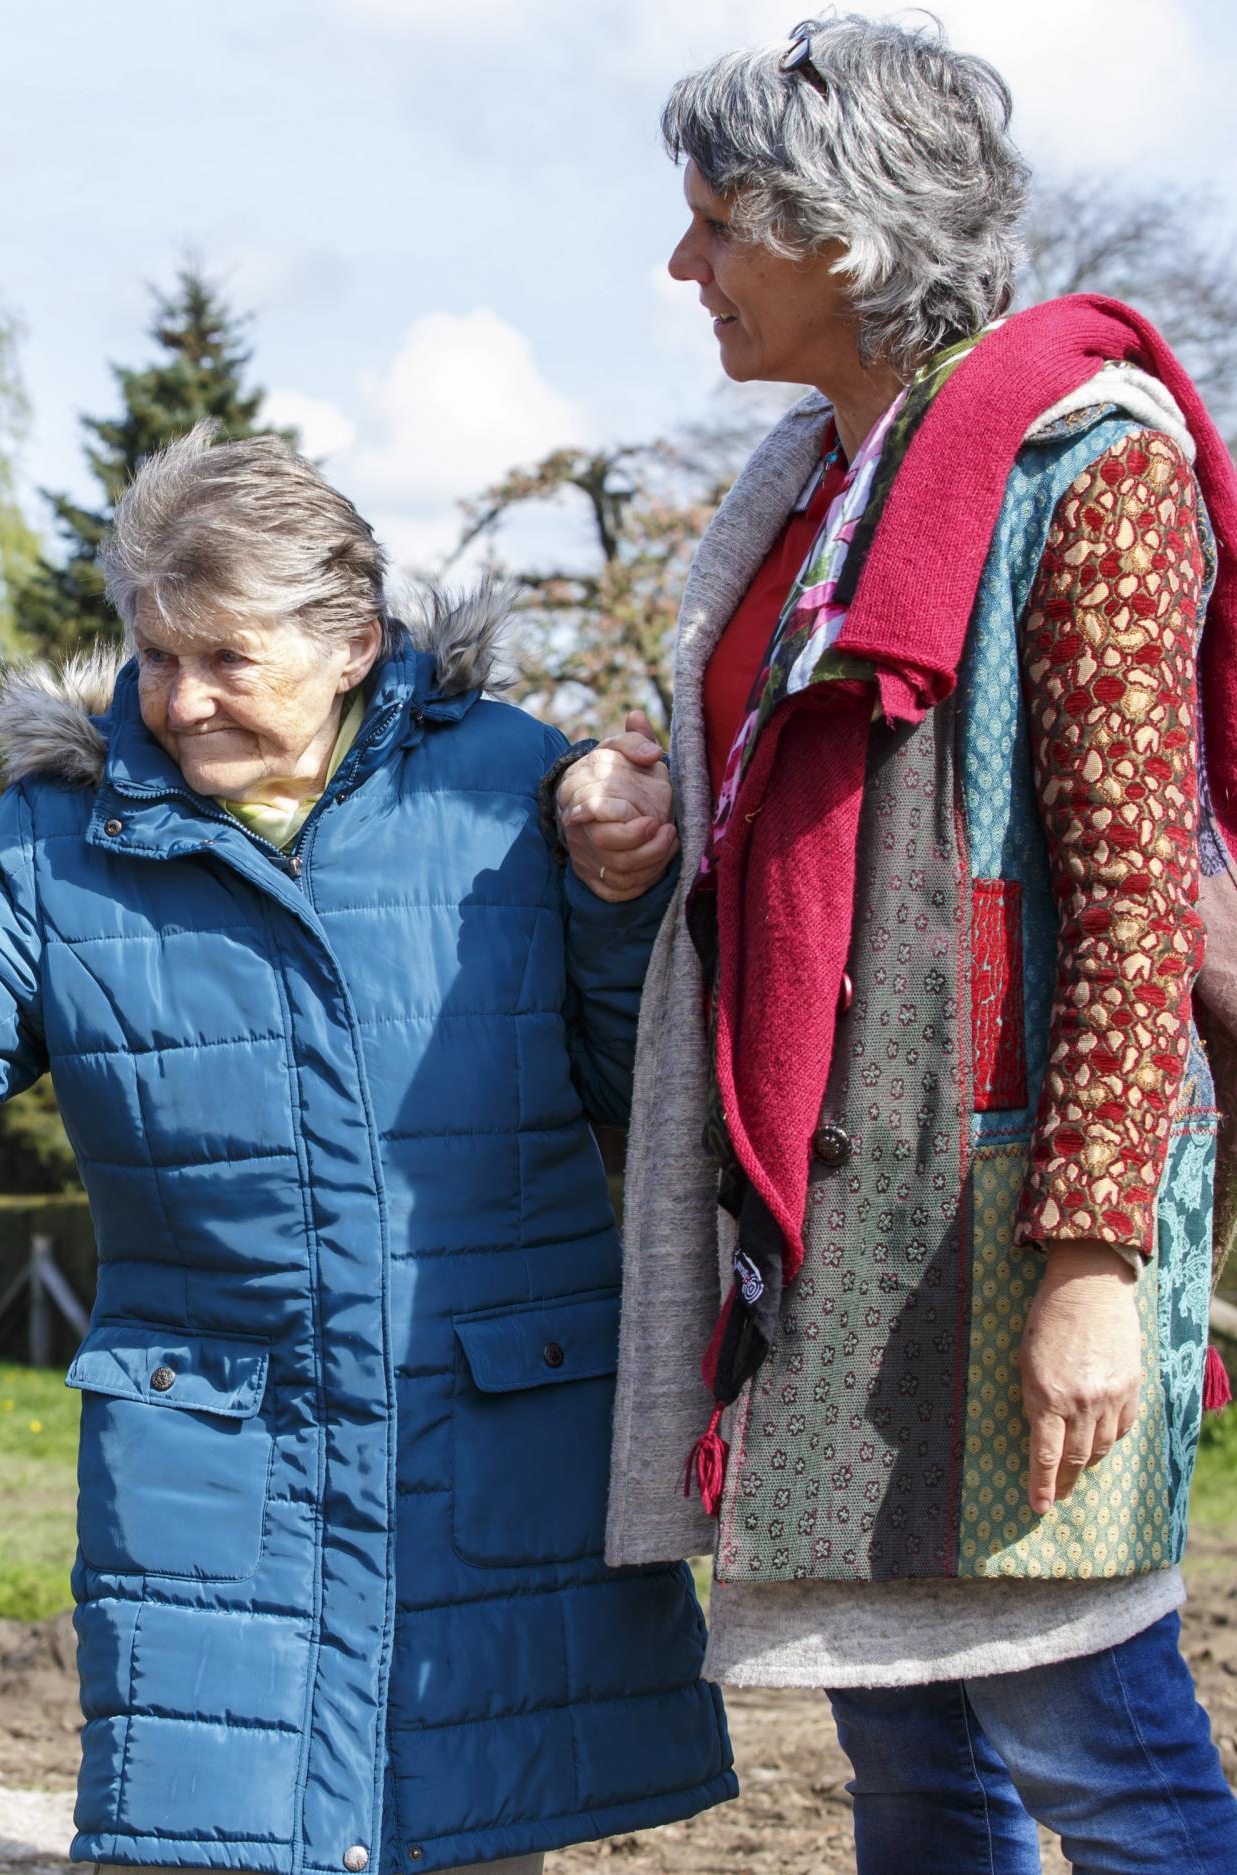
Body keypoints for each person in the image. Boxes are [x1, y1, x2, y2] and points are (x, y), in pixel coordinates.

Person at [0, 423, 731, 1875]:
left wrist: (619, 891)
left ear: (353, 645)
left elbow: (627, 1055)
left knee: (475, 1822)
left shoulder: (504, 780)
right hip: (215, 1441)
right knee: (204, 1831)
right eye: (155, 656)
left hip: (493, 1424)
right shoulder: (64, 829)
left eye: (226, 659)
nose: (182, 701)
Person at [607, 16, 1237, 1871]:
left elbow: (1132, 888)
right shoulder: (815, 484)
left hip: (1006, 1206)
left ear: (845, 232)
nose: (684, 265)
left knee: (1099, 1750)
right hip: (840, 1213)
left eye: (717, 222)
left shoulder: (1083, 466)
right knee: (914, 1767)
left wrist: (1095, 1262)